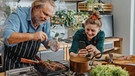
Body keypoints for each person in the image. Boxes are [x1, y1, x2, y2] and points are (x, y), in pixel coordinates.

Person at [3, 0, 59, 71]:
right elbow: (7, 37)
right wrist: (32, 36)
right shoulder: (18, 15)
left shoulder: (45, 20)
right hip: (13, 62)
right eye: (45, 14)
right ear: (35, 7)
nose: (47, 18)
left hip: (31, 63)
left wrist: (51, 44)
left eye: (49, 16)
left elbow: (47, 39)